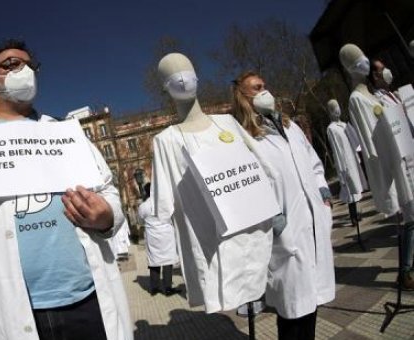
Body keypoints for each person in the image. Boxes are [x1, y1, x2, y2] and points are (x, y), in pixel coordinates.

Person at [0, 39, 132, 340]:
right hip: (10, 313)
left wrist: (106, 215)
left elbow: (108, 190)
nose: (26, 70)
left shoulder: (64, 133)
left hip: (84, 301)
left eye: (31, 65)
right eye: (13, 64)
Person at [150, 53, 278, 314]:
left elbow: (263, 166)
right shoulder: (165, 141)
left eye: (186, 70)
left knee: (264, 279)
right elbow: (162, 207)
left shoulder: (227, 123)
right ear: (165, 86)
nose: (182, 78)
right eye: (173, 74)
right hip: (213, 244)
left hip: (256, 230)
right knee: (228, 287)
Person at [232, 71, 335, 340]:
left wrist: (323, 193)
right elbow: (249, 187)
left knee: (311, 304)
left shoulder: (290, 126)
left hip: (312, 221)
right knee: (292, 312)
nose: (265, 91)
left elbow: (313, 164)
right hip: (285, 231)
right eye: (256, 88)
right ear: (243, 96)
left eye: (265, 85)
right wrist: (276, 221)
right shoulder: (245, 137)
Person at [339, 44, 399, 218]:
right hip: (386, 165)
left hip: (398, 158)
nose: (364, 60)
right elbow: (370, 141)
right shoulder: (356, 99)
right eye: (358, 57)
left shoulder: (371, 95)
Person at [325, 100, 367, 228]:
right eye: (334, 108)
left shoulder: (344, 125)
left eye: (337, 107)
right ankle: (353, 216)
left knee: (357, 188)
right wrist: (341, 166)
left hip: (353, 159)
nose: (337, 110)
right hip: (345, 162)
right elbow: (336, 148)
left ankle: (358, 212)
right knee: (349, 190)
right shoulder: (331, 129)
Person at [137, 183, 180, 296]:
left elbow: (140, 221)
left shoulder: (143, 206)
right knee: (167, 261)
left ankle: (154, 288)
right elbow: (173, 214)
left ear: (146, 192)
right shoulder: (165, 202)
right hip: (166, 235)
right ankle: (167, 288)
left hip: (153, 237)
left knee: (154, 261)